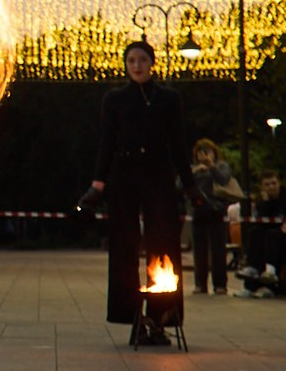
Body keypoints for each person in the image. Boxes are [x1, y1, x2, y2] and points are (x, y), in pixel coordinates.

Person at [84, 40, 201, 331]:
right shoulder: (115, 99)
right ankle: (131, 315)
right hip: (124, 174)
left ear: (152, 63)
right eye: (131, 60)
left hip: (158, 173)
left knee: (163, 242)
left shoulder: (169, 99)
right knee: (123, 245)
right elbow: (107, 143)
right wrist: (97, 185)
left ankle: (162, 315)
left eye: (142, 60)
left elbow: (178, 144)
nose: (137, 66)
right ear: (126, 65)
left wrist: (191, 187)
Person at [188, 139, 239, 295]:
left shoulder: (221, 166)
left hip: (217, 211)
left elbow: (224, 179)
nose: (204, 156)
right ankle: (200, 284)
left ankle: (220, 284)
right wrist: (195, 172)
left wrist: (211, 166)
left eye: (208, 152)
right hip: (198, 212)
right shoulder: (193, 169)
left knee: (218, 251)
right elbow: (180, 185)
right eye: (201, 152)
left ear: (214, 153)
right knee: (199, 252)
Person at [235, 170, 283, 298]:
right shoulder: (262, 202)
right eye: (267, 184)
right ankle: (250, 283)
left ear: (279, 183)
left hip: (281, 235)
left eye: (274, 183)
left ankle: (270, 279)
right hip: (269, 234)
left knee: (272, 236)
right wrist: (267, 202)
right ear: (262, 187)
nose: (271, 187)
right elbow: (262, 221)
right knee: (254, 232)